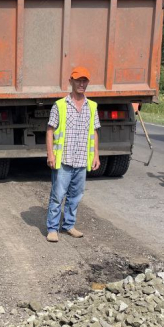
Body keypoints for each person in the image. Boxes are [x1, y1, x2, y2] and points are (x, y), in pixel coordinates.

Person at [45, 66, 101, 243]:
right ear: (71, 81)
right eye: (78, 80)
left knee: (75, 196)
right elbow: (50, 130)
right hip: (64, 160)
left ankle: (69, 225)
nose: (81, 84)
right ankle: (52, 228)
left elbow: (94, 132)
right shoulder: (60, 105)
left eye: (85, 81)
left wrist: (96, 156)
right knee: (57, 195)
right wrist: (50, 155)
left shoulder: (92, 106)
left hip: (82, 160)